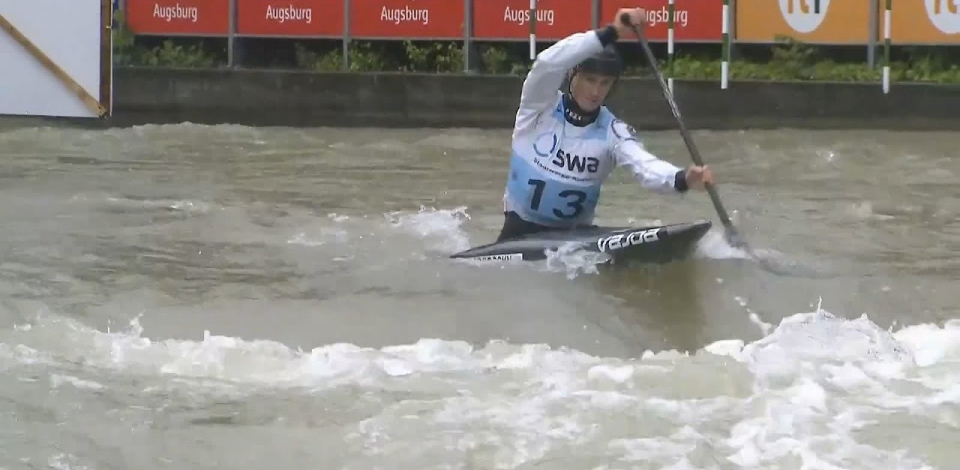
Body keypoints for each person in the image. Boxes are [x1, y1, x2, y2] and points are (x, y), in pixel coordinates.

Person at [495, 7, 714, 243]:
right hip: (517, 232)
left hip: (573, 241)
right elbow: (547, 64)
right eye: (590, 80)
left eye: (604, 83)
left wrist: (682, 179)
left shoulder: (613, 132)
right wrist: (611, 32)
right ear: (572, 75)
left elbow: (645, 165)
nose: (596, 91)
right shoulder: (538, 107)